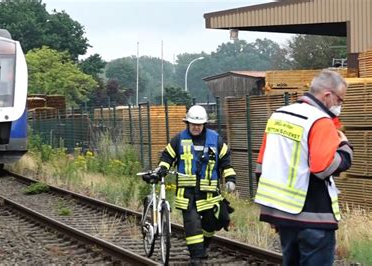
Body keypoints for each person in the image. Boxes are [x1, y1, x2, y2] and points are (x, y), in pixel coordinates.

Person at [254, 69, 353, 265]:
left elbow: (261, 166)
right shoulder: (320, 121)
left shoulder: (278, 116)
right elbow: (323, 168)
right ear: (327, 95)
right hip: (314, 217)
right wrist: (345, 150)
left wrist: (273, 212)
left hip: (283, 215)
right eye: (340, 100)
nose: (339, 106)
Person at [150, 105, 237, 264]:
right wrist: (162, 169)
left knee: (212, 223)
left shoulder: (215, 140)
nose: (196, 127)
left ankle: (202, 248)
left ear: (204, 124)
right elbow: (167, 157)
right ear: (187, 123)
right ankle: (196, 257)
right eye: (193, 124)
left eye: (199, 124)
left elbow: (225, 162)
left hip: (209, 194)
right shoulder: (178, 140)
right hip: (187, 194)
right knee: (193, 225)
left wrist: (231, 180)